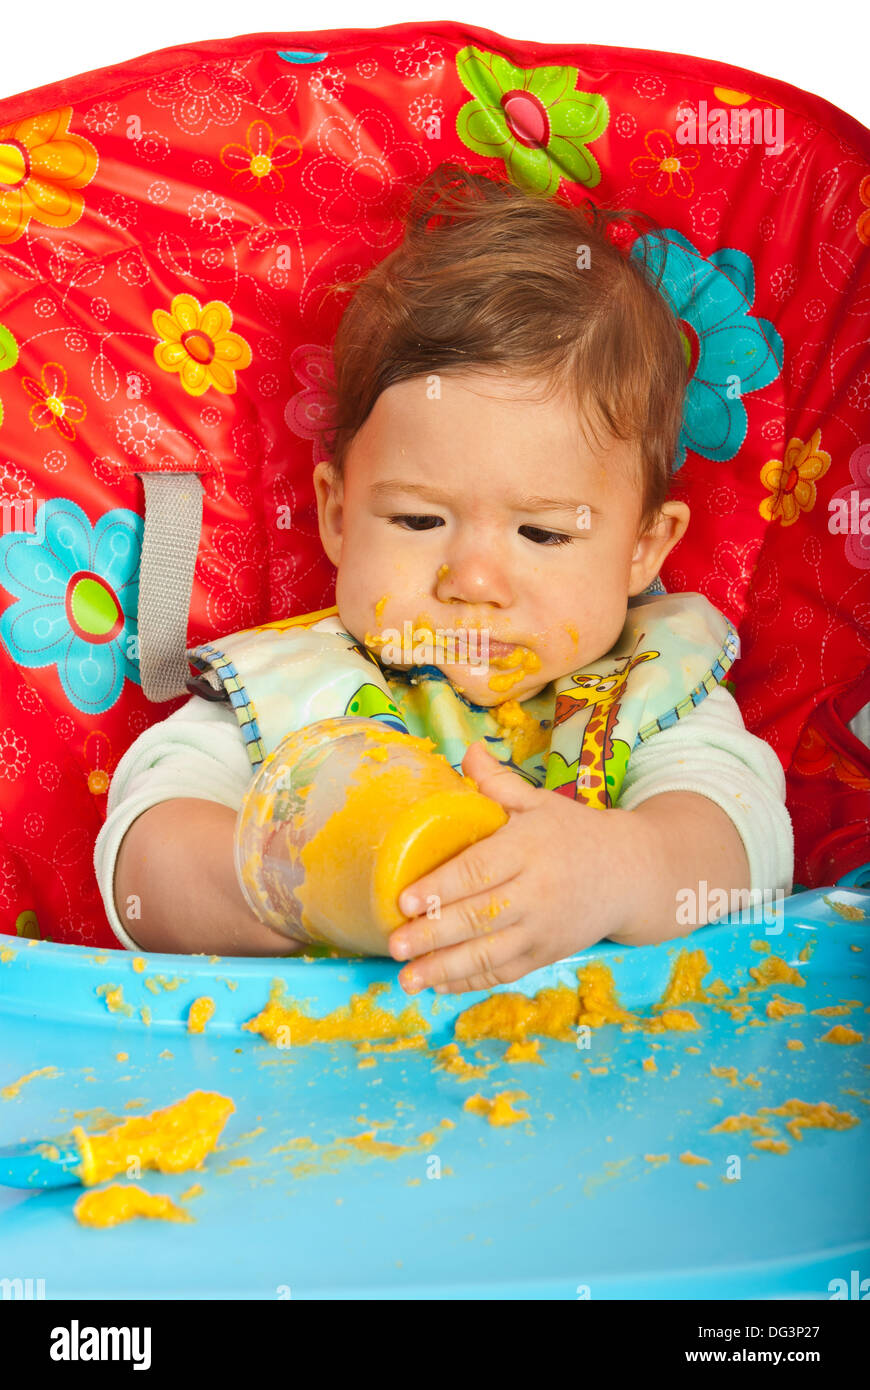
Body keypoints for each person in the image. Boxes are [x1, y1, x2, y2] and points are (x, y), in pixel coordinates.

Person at [96, 163, 793, 992]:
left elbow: (745, 851)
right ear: (339, 516)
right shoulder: (285, 693)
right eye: (420, 521)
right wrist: (297, 881)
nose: (473, 580)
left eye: (541, 531)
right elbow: (139, 862)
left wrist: (616, 871)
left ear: (644, 548)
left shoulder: (649, 689)